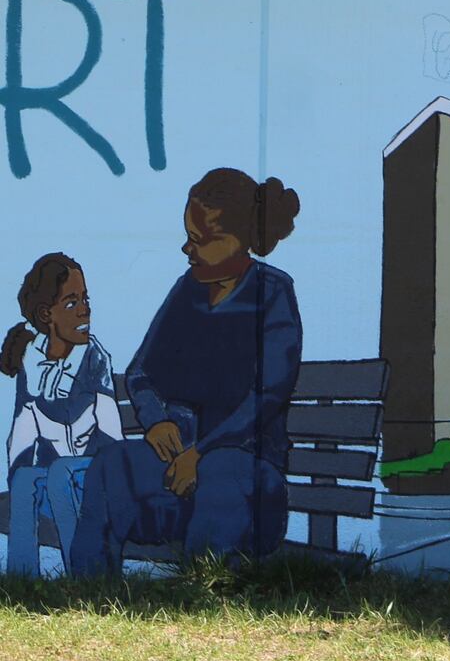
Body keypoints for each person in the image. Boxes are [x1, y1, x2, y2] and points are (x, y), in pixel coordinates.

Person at [70, 168, 303, 576]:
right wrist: (156, 421)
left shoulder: (273, 293)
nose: (186, 250)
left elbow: (267, 395)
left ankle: (202, 598)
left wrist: (202, 451)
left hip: (249, 482)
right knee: (111, 467)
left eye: (198, 241)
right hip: (179, 470)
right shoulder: (187, 291)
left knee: (220, 473)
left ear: (236, 241)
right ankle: (89, 595)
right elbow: (140, 373)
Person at [1, 254, 123, 575]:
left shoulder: (95, 359)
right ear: (47, 314)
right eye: (71, 303)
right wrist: (18, 476)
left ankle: (82, 577)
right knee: (27, 478)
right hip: (58, 480)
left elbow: (113, 440)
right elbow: (22, 433)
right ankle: (22, 580)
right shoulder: (32, 363)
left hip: (94, 478)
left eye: (85, 299)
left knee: (60, 474)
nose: (85, 309)